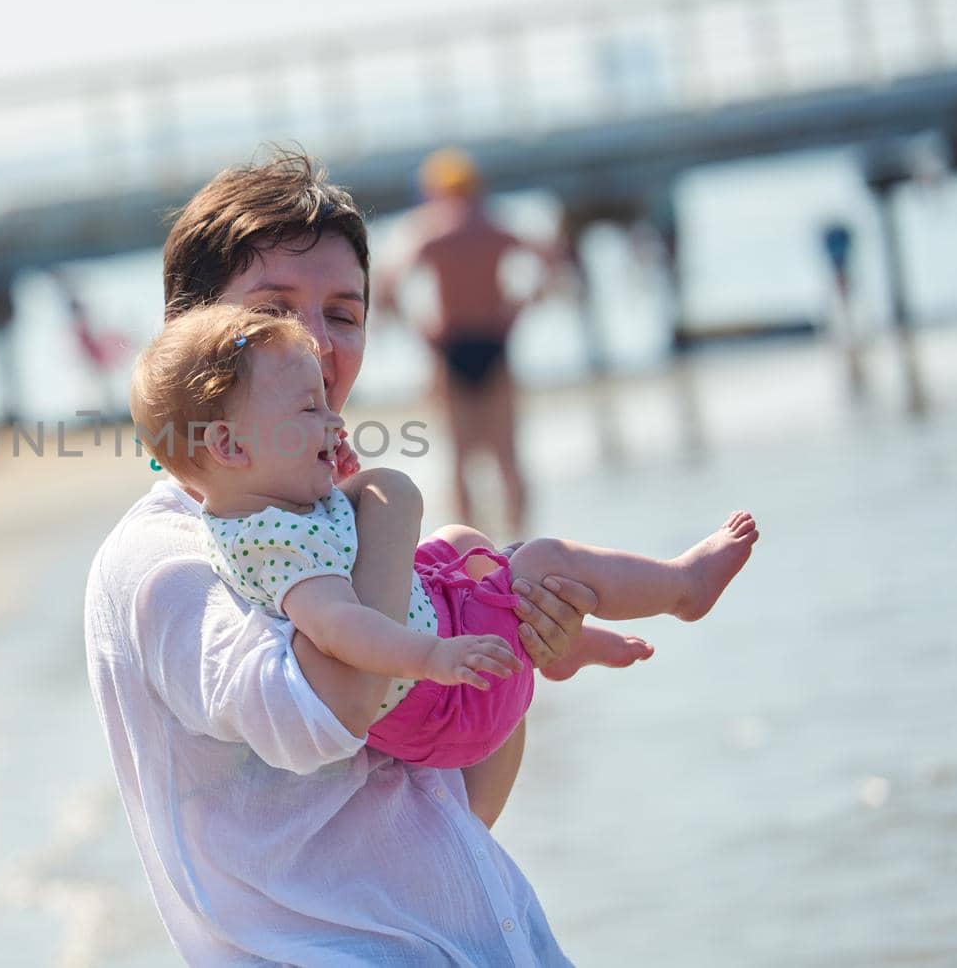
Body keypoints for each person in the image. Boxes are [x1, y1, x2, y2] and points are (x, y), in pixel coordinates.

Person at [85, 151, 602, 964]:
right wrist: (396, 510)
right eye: (275, 310)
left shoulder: (321, 517)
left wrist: (506, 659)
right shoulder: (170, 558)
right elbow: (336, 706)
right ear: (192, 337)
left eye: (346, 314)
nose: (317, 347)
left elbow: (450, 814)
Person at [129, 303, 756, 770]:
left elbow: (342, 553)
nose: (334, 418)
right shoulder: (275, 543)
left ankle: (562, 643)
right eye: (308, 410)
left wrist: (332, 480)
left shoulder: (261, 508)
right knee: (540, 558)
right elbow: (338, 624)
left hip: (436, 655)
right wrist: (433, 658)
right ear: (230, 445)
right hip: (443, 701)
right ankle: (681, 587)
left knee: (458, 540)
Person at [380, 148, 567, 537]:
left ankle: (468, 551)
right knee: (508, 457)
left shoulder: (430, 231)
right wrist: (519, 308)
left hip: (451, 345)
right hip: (493, 341)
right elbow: (551, 258)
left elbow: (387, 285)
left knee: (460, 459)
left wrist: (422, 330)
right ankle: (520, 542)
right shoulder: (494, 227)